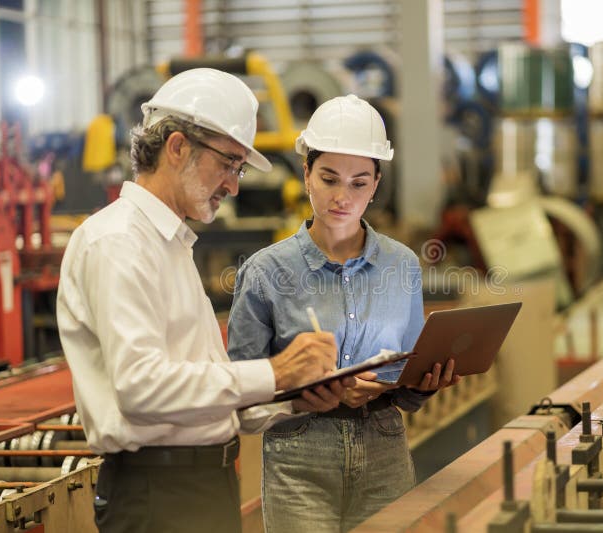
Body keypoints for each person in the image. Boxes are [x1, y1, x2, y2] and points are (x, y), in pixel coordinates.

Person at [56, 68, 351, 533]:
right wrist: (275, 372)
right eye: (229, 163)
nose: (233, 186)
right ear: (177, 147)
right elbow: (141, 388)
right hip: (158, 495)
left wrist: (293, 398)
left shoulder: (169, 243)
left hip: (197, 487)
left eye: (238, 169)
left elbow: (199, 395)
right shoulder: (117, 243)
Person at [228, 94, 459, 532]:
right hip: (300, 457)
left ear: (376, 185)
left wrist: (425, 384)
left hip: (385, 449)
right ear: (306, 174)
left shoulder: (402, 265)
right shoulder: (265, 272)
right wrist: (299, 398)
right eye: (329, 178)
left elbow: (406, 380)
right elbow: (240, 393)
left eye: (358, 183)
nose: (342, 197)